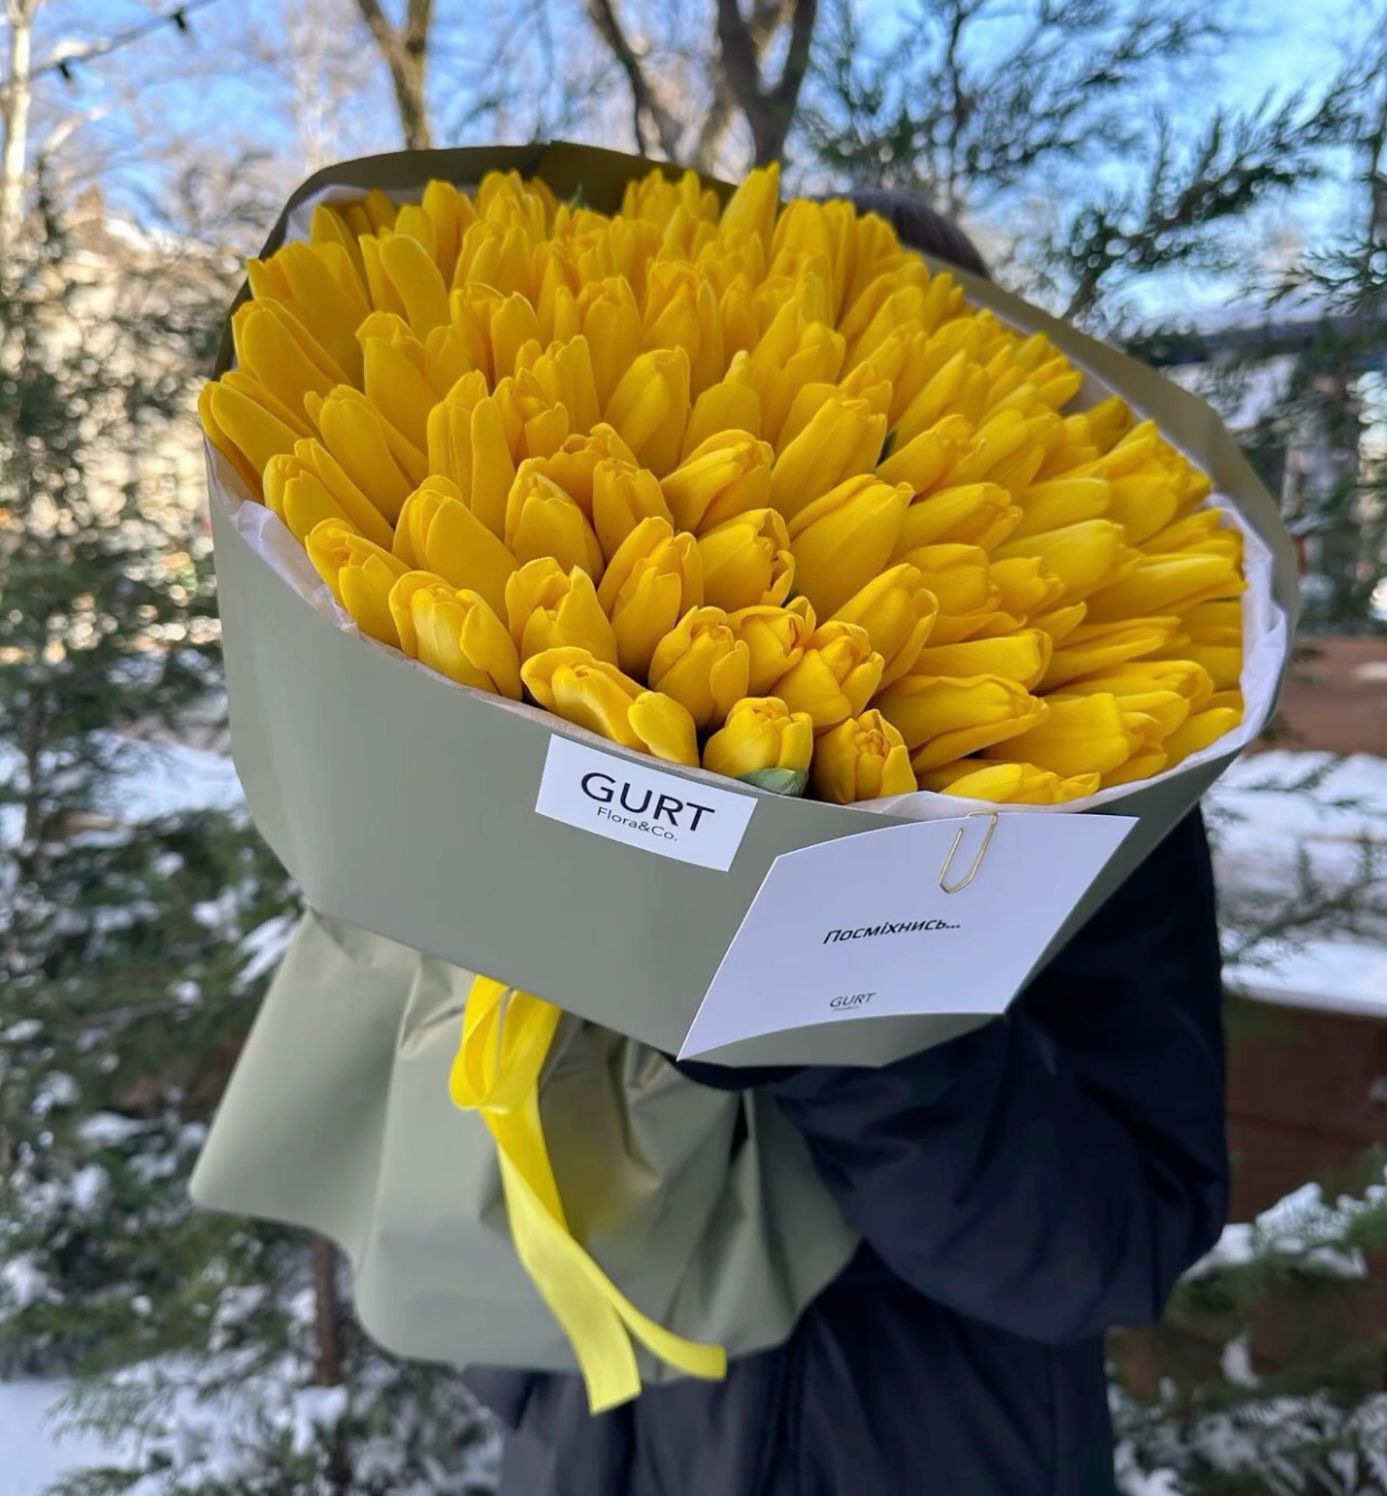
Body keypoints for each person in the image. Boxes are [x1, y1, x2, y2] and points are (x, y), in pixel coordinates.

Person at [464, 192, 1229, 1496]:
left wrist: (833, 1012)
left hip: (927, 1443)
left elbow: (1110, 1247)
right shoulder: (544, 694)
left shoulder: (1102, 779)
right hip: (603, 1437)